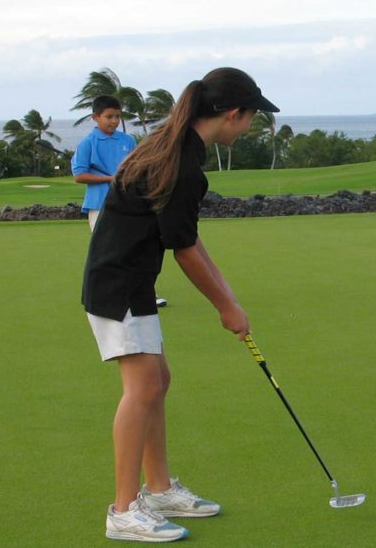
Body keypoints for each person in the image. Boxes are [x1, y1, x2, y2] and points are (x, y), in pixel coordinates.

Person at [82, 68, 279, 542]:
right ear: (232, 115)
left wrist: (226, 292)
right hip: (119, 286)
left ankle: (160, 487)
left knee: (157, 382)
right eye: (251, 117)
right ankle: (124, 511)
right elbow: (184, 250)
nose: (251, 126)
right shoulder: (182, 164)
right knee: (143, 389)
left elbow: (188, 236)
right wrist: (225, 308)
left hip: (129, 281)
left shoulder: (175, 148)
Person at [74, 95, 167, 307]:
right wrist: (109, 178)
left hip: (128, 203)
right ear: (95, 117)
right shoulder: (88, 143)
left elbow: (137, 167)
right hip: (99, 204)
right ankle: (108, 295)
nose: (114, 121)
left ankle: (146, 293)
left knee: (135, 248)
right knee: (108, 252)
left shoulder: (127, 141)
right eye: (109, 117)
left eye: (117, 116)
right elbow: (79, 175)